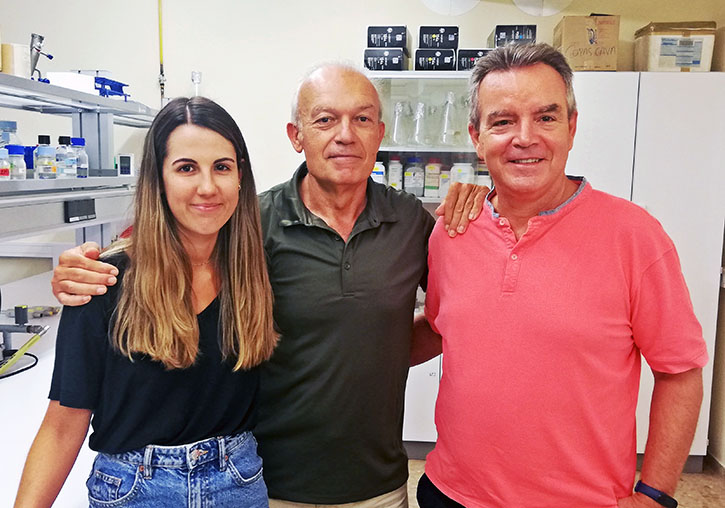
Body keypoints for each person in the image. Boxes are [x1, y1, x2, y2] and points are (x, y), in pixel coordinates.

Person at [49, 64, 487, 507]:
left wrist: (486, 199)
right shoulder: (251, 225)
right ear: (296, 136)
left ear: (380, 132)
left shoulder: (412, 222)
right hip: (263, 482)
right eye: (325, 119)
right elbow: (169, 251)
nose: (345, 134)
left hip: (378, 484)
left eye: (362, 119)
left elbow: (457, 313)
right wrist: (86, 268)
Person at [415, 43, 708, 508]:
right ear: (476, 135)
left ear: (572, 127)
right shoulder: (452, 231)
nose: (525, 137)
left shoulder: (633, 237)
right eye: (503, 120)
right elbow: (438, 328)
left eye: (546, 118)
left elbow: (680, 371)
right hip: (451, 493)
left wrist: (655, 494)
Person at [15, 97, 278, 507]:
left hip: (238, 484)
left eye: (221, 167)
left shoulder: (256, 275)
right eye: (186, 168)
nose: (207, 186)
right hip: (135, 491)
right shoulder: (103, 282)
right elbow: (64, 425)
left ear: (240, 177)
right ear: (158, 179)